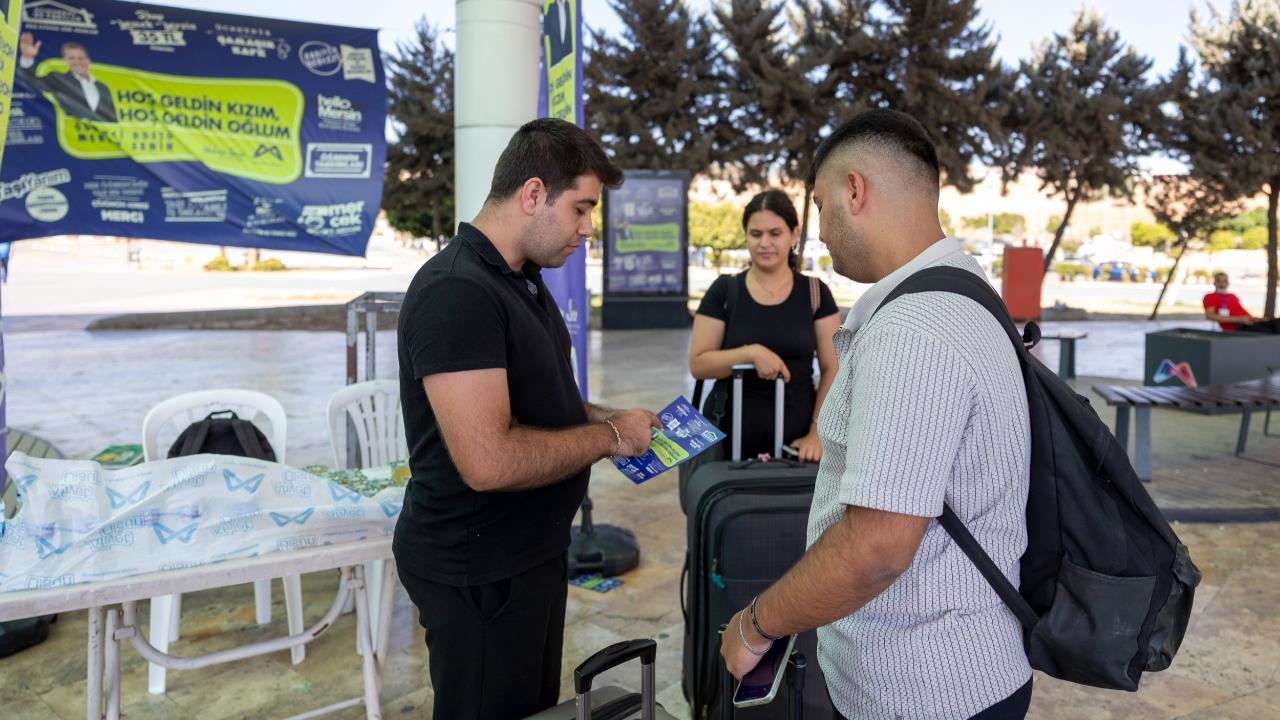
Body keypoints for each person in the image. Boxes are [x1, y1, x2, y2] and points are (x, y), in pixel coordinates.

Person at [720, 109, 1033, 720]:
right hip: (953, 673)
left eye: (820, 205)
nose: (820, 231)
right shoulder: (965, 288)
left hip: (927, 691)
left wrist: (758, 624)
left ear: (855, 190)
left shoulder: (914, 327)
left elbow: (877, 547)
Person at [394, 117, 660, 720]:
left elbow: (541, 406)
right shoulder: (457, 293)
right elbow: (487, 460)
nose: (588, 230)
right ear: (534, 194)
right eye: (581, 209)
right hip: (478, 571)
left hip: (529, 554)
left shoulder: (520, 280)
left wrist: (607, 418)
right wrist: (608, 436)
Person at [688, 190, 840, 462]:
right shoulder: (724, 291)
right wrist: (750, 353)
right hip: (727, 435)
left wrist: (816, 433)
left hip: (797, 439)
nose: (765, 243)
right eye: (756, 234)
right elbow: (699, 364)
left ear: (794, 234)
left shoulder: (816, 293)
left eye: (775, 233)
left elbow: (832, 368)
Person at [17, 33, 117, 123]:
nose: (77, 62)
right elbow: (30, 81)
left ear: (88, 60)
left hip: (100, 142)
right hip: (70, 139)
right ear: (65, 61)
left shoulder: (103, 87)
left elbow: (113, 119)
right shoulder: (58, 78)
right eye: (71, 58)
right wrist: (27, 58)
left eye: (81, 58)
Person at [1203, 272, 1279, 334]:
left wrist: (1256, 319)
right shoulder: (1210, 297)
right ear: (1214, 283)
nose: (1222, 284)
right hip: (1239, 326)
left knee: (1276, 322)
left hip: (1249, 322)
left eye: (1225, 281)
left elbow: (1241, 311)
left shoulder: (1232, 296)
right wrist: (1239, 319)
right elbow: (1210, 316)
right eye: (1219, 281)